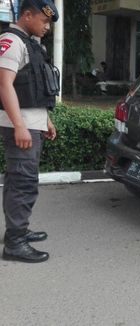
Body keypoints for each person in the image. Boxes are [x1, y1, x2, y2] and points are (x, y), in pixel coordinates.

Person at [0, 0, 60, 263]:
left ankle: (18, 230)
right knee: (23, 183)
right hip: (20, 125)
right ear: (26, 15)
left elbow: (33, 89)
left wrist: (45, 120)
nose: (46, 26)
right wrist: (21, 126)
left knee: (19, 180)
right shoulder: (12, 42)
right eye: (43, 21)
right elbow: (5, 85)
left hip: (31, 122)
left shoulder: (30, 44)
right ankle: (15, 243)